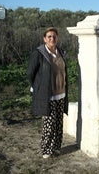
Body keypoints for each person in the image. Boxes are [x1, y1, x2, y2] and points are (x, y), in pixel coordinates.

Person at [27, 27, 68, 158]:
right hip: (47, 95)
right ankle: (46, 150)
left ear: (57, 38)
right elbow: (30, 73)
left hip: (61, 93)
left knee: (58, 123)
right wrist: (36, 87)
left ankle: (56, 147)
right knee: (49, 124)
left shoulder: (60, 52)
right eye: (49, 36)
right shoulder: (39, 53)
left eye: (54, 36)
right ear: (45, 39)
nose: (52, 38)